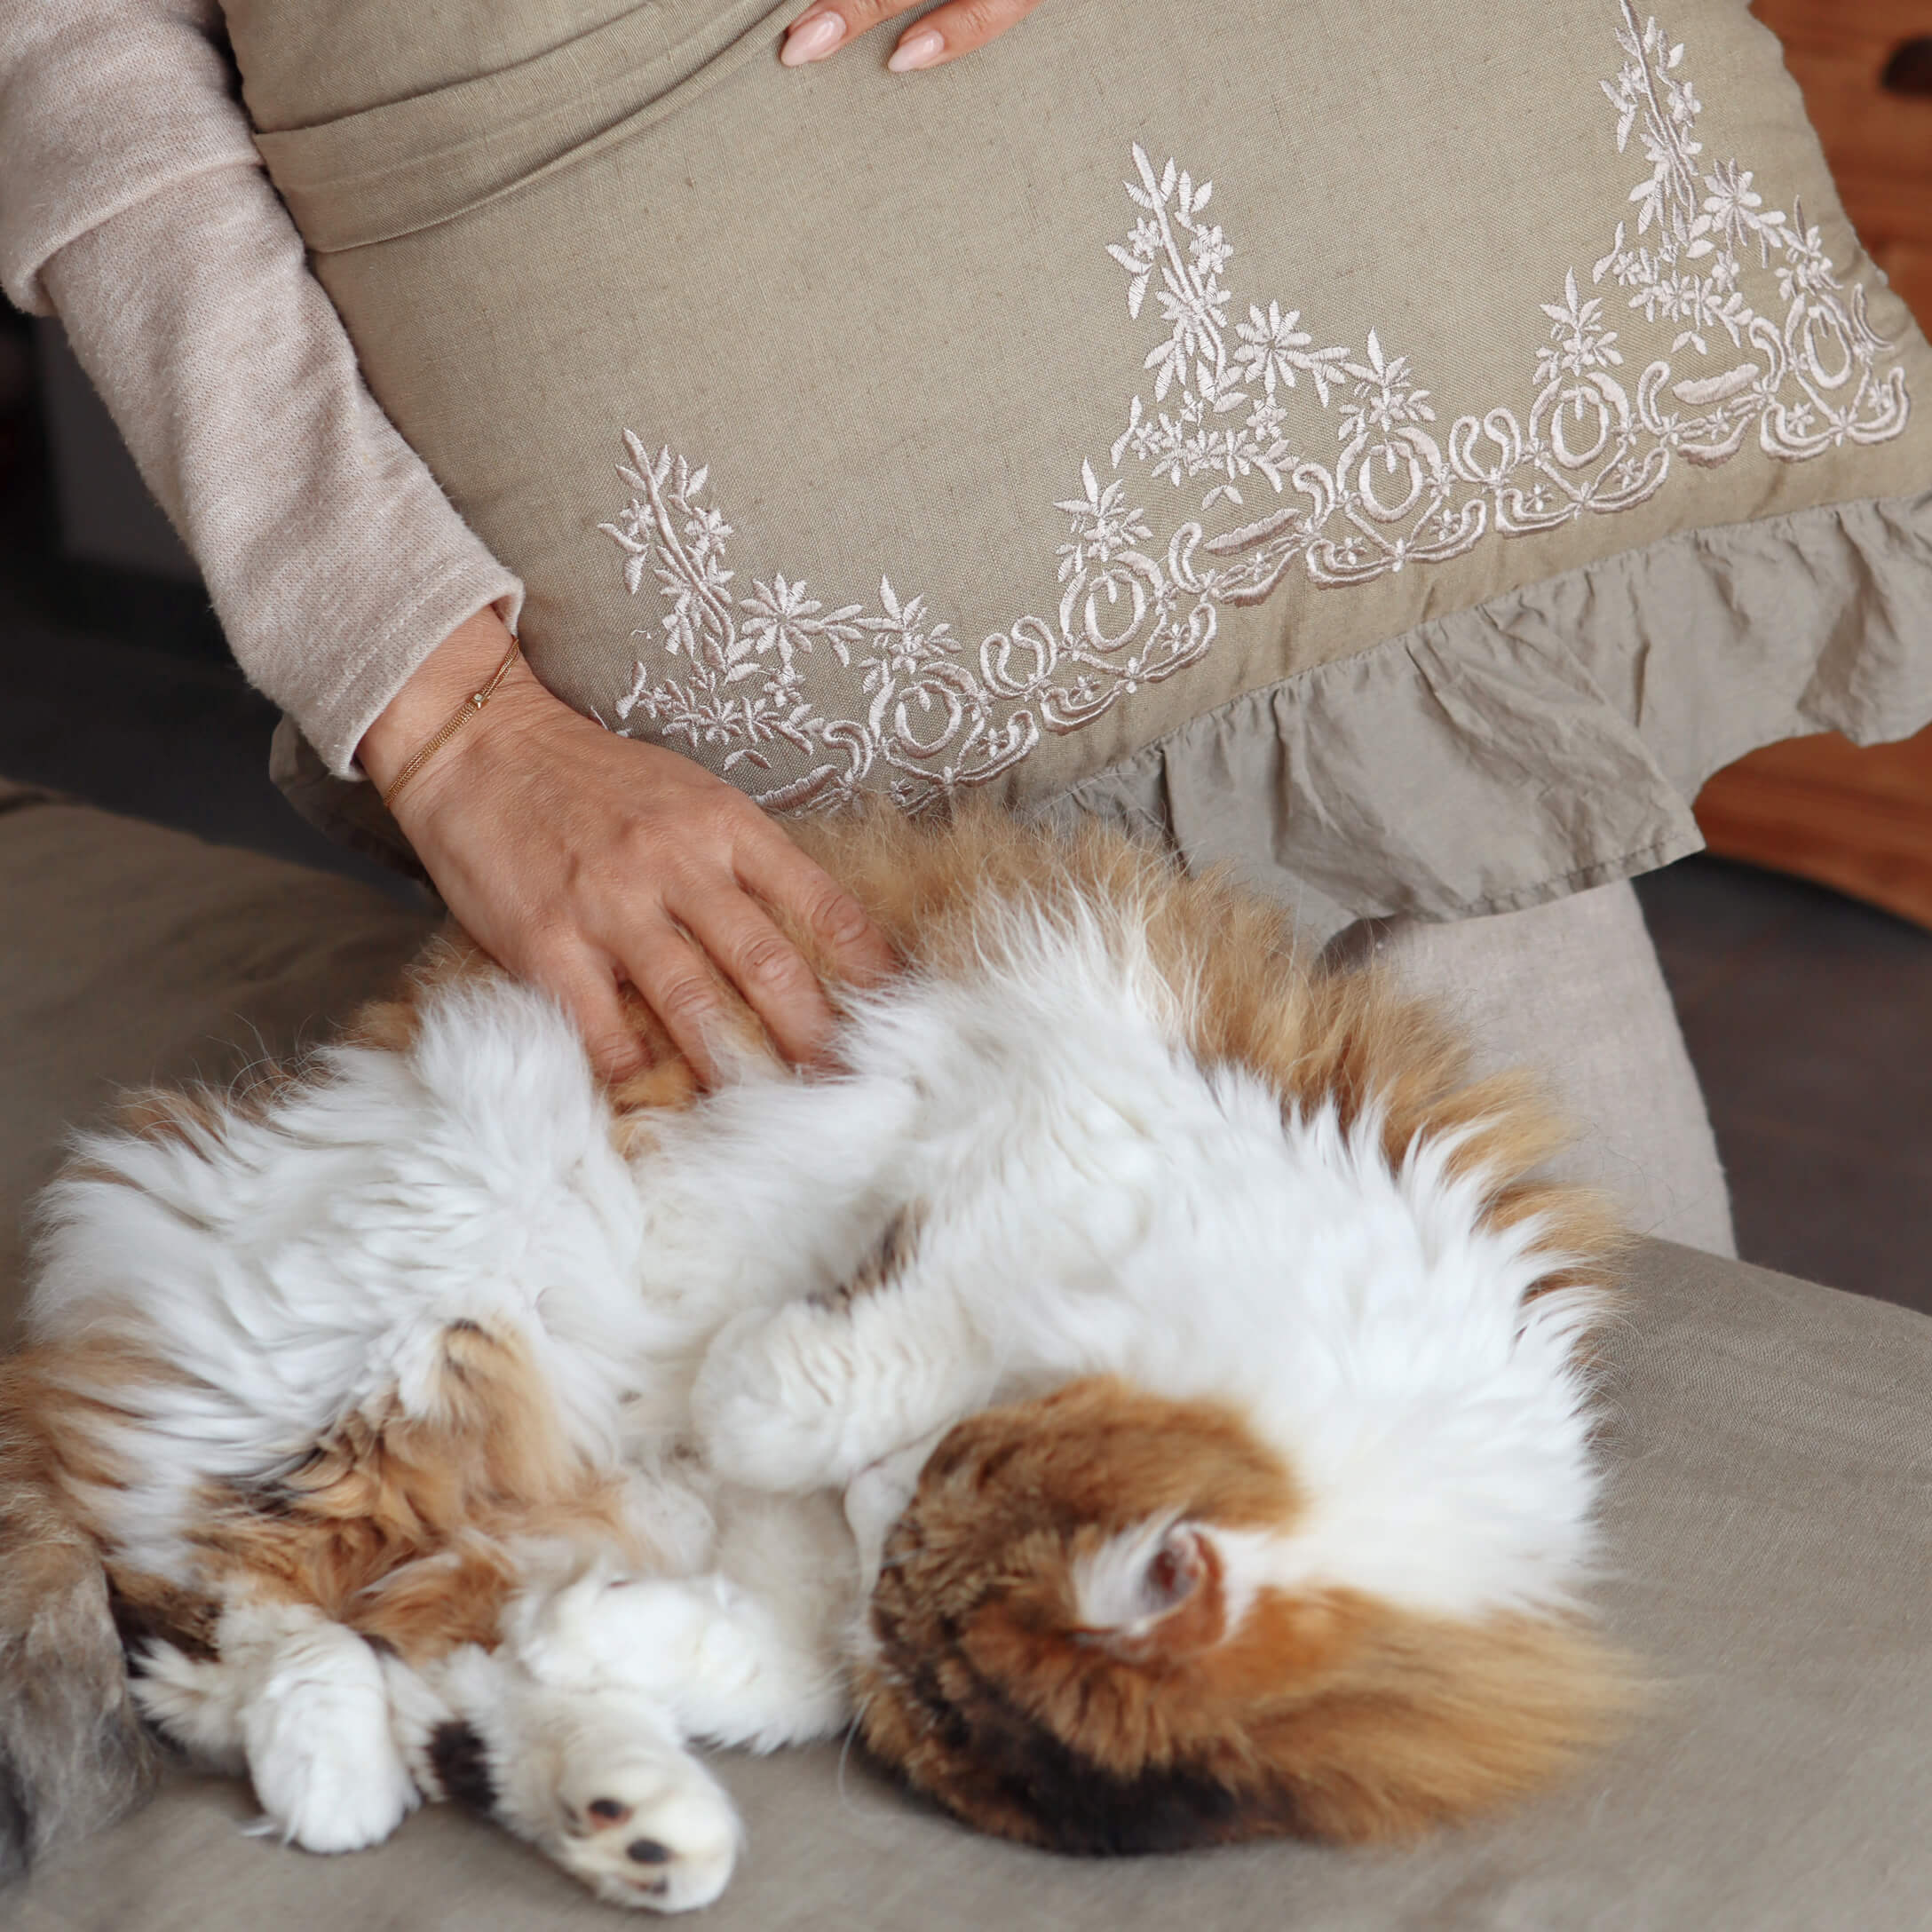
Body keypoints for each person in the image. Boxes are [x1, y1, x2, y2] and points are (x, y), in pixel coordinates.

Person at [0, 0, 1737, 1250]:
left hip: (1266, 450)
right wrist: (443, 707)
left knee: (1630, 1380)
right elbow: (76, 51)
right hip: (690, 666)